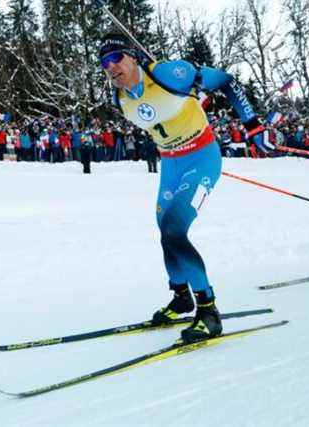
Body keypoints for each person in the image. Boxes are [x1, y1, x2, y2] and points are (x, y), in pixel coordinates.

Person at [99, 31, 270, 343]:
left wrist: (252, 124)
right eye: (104, 63)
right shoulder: (120, 97)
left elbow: (226, 81)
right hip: (171, 164)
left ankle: (208, 310)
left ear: (133, 56)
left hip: (202, 157)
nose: (110, 67)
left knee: (176, 229)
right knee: (164, 226)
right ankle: (181, 297)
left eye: (115, 58)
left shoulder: (168, 74)